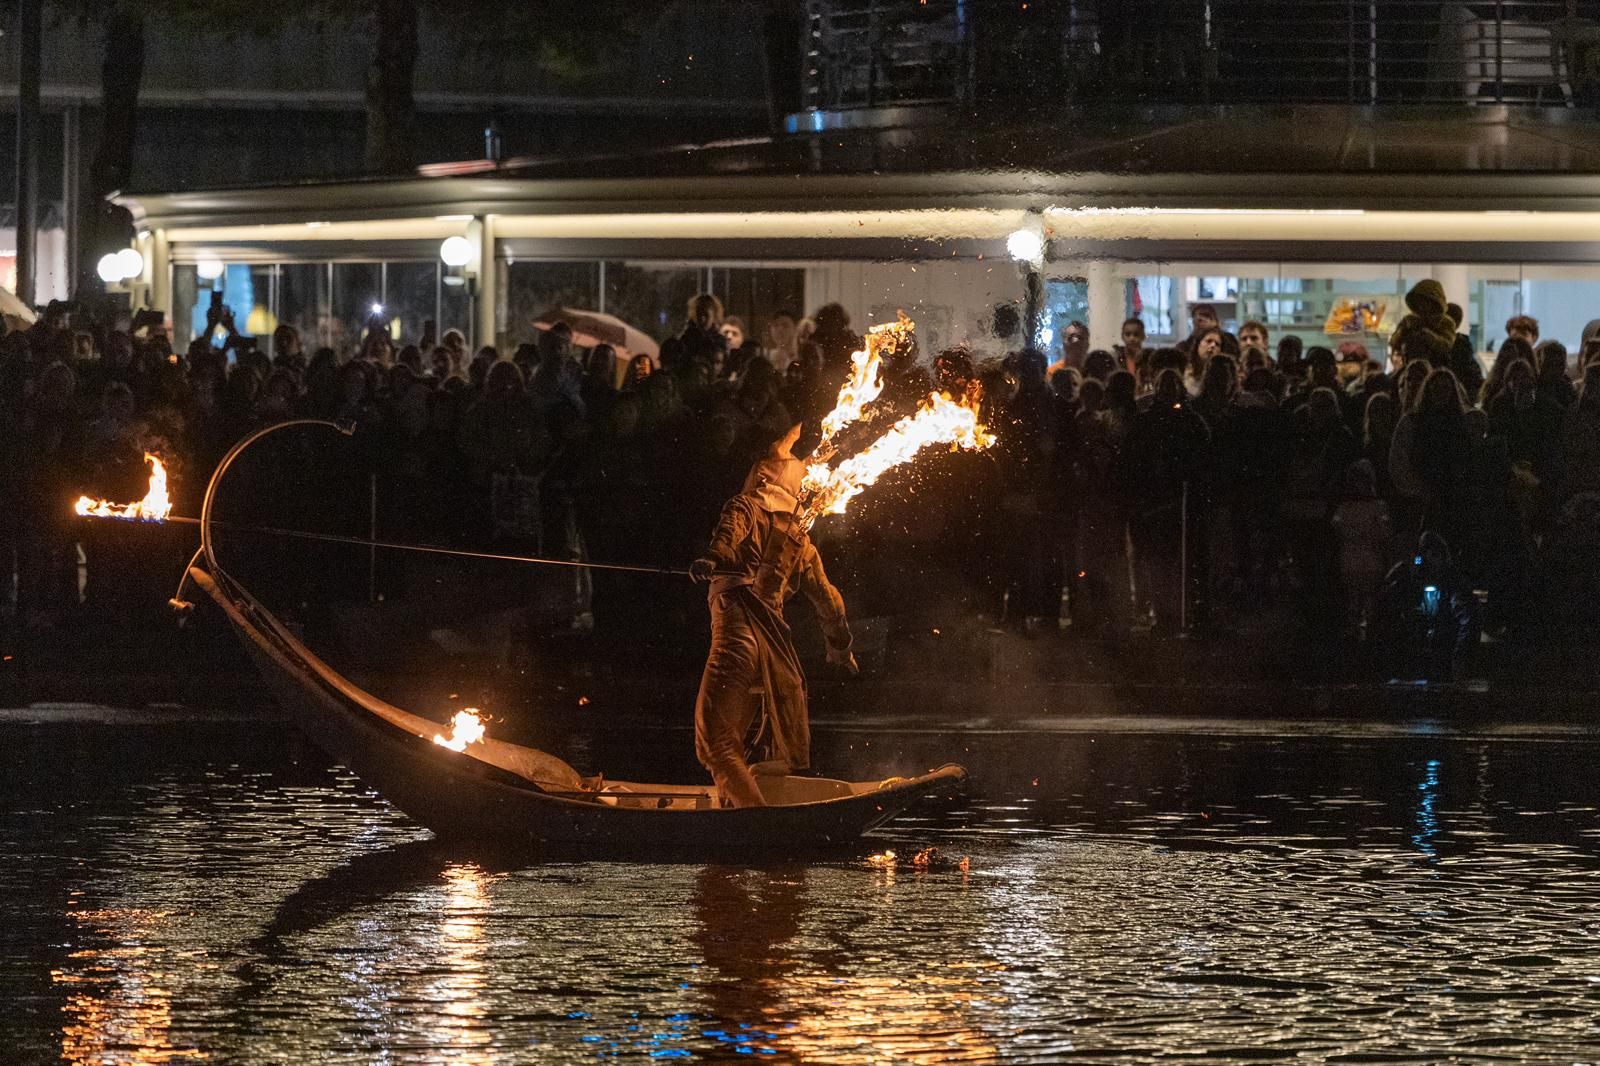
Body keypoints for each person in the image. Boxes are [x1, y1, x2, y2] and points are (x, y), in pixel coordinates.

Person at [689, 426, 856, 808]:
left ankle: (756, 826)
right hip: (773, 651)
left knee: (716, 742)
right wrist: (840, 649)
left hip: (737, 637)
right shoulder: (802, 541)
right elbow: (829, 601)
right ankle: (745, 811)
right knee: (741, 746)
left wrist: (711, 559)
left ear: (763, 474)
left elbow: (729, 537)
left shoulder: (744, 505)